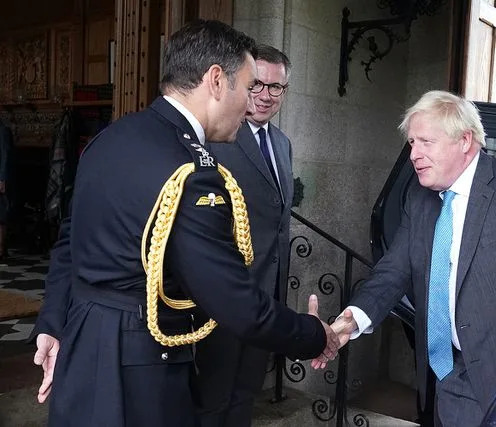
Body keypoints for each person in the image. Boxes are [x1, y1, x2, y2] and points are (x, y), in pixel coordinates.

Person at [31, 20, 338, 427]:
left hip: (81, 343)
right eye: (247, 88)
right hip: (140, 363)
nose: (250, 105)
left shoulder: (112, 137)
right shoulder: (192, 171)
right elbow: (232, 300)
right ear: (215, 80)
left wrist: (52, 323)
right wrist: (316, 335)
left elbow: (69, 242)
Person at [316, 90, 496, 426]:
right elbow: (394, 270)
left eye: (425, 142)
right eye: (411, 143)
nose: (414, 154)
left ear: (465, 140)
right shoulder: (419, 197)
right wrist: (351, 320)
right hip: (448, 377)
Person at [194, 44, 295, 426]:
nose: (266, 96)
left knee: (246, 393)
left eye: (276, 88)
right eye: (258, 85)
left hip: (266, 297)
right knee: (213, 397)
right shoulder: (215, 138)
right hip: (225, 294)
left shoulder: (283, 144)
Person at [0, 119, 13, 259]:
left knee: (1, 215)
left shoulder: (3, 130)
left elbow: (5, 155)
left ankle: (1, 249)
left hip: (1, 177)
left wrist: (2, 179)